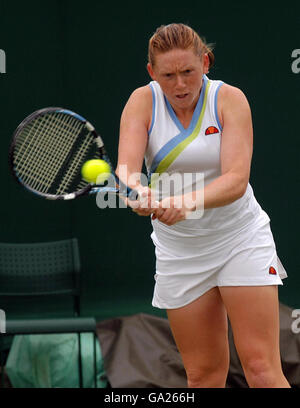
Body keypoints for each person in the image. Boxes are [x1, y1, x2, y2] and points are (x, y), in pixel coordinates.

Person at [115, 23, 290, 388]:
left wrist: (183, 203)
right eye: (168, 75)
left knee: (261, 368)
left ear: (206, 62)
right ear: (152, 73)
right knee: (204, 375)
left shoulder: (229, 99)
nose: (180, 85)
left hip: (240, 239)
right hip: (180, 253)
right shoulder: (141, 102)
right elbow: (127, 171)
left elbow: (236, 180)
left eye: (188, 72)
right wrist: (135, 191)